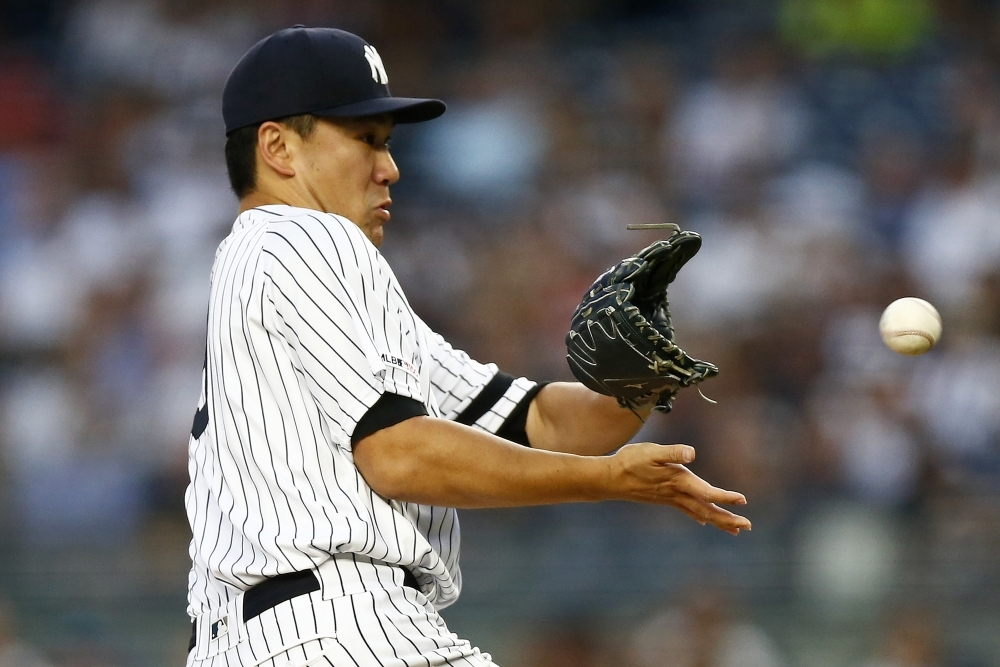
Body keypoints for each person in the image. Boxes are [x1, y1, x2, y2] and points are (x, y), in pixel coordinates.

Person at [184, 25, 751, 667]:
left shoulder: (269, 268)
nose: (390, 168)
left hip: (284, 636)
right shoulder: (308, 239)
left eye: (388, 144)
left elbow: (540, 422)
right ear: (278, 147)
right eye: (364, 141)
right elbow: (397, 455)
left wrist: (639, 378)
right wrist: (606, 481)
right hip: (339, 628)